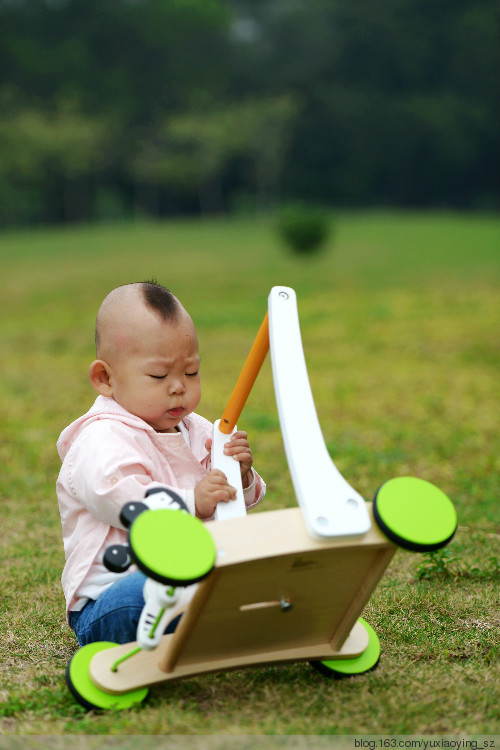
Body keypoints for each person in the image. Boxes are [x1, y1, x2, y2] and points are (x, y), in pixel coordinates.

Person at [56, 281, 265, 646]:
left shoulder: (198, 430)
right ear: (105, 379)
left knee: (254, 563)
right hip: (115, 597)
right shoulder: (101, 438)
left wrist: (240, 475)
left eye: (191, 372)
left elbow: (231, 501)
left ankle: (234, 616)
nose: (178, 387)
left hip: (194, 574)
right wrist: (191, 502)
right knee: (153, 591)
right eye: (158, 376)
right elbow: (118, 496)